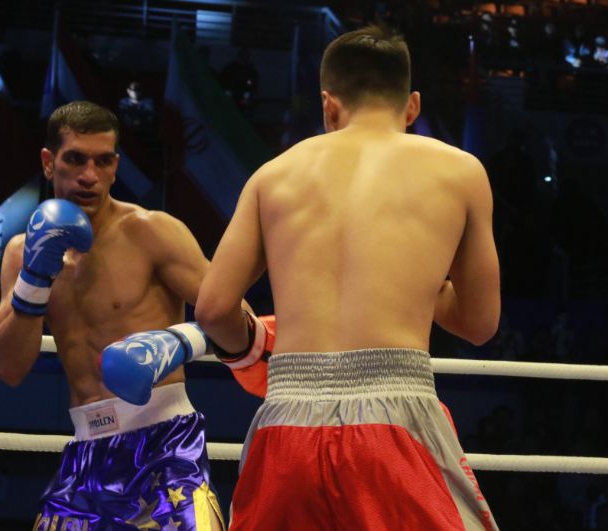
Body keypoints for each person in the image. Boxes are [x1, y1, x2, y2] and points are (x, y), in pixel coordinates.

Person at [196, 25, 501, 530]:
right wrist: (424, 282)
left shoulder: (272, 175)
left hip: (285, 421)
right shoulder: (460, 171)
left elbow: (211, 309)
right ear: (412, 106)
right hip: (395, 422)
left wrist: (253, 355)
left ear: (328, 105)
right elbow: (479, 323)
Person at [0, 101, 224, 531]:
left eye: (103, 161)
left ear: (116, 166)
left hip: (166, 447)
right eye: (75, 159)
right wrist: (34, 281)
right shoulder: (21, 253)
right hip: (87, 452)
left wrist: (176, 342)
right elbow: (9, 369)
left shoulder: (152, 232)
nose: (89, 175)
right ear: (49, 162)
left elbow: (236, 319)